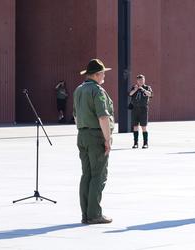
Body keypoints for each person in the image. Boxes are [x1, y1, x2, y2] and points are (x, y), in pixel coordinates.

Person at [73, 59, 114, 224]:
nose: (104, 75)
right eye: (103, 72)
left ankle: (86, 214)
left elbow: (76, 115)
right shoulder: (97, 91)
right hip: (96, 136)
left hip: (82, 135)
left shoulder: (79, 90)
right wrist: (107, 139)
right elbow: (103, 116)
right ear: (96, 74)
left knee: (87, 175)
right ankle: (94, 214)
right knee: (99, 175)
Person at [129, 74, 153, 149]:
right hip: (135, 109)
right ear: (137, 81)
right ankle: (135, 143)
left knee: (143, 126)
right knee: (135, 126)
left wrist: (143, 89)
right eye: (139, 80)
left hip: (143, 109)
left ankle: (145, 143)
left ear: (144, 80)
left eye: (142, 80)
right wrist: (135, 89)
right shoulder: (134, 87)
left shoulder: (147, 87)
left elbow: (150, 95)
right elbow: (130, 94)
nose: (140, 81)